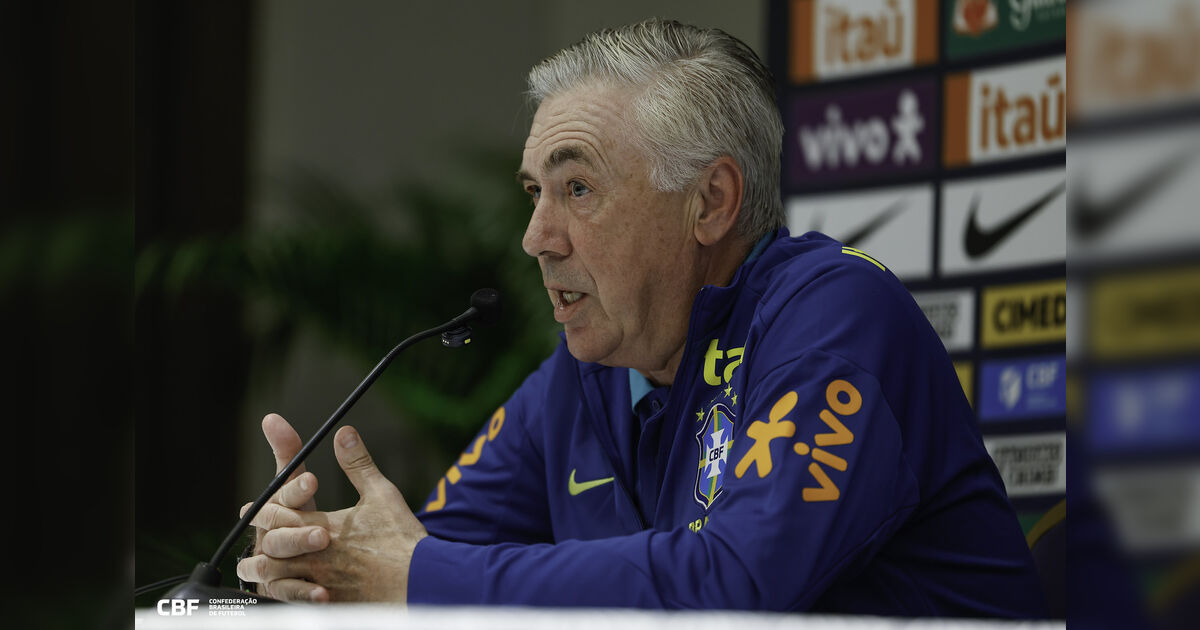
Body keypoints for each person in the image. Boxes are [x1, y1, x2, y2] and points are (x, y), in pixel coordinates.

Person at [236, 18, 1046, 616]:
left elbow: (738, 585)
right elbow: (424, 557)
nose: (535, 237)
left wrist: (410, 574)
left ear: (710, 202)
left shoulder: (834, 317)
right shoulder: (583, 375)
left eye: (578, 189)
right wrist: (318, 557)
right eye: (535, 193)